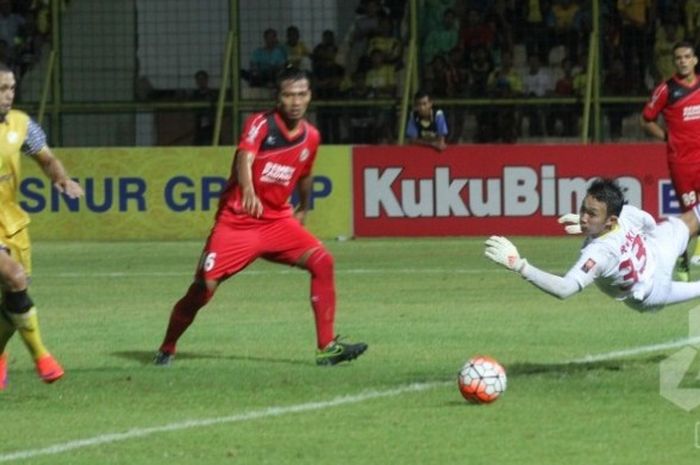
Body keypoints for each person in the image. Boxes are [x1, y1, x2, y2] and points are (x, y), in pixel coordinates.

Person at [154, 66, 368, 367]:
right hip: (238, 221)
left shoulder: (312, 136)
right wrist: (249, 189)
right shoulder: (261, 124)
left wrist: (304, 206)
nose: (295, 101)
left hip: (278, 222)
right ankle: (167, 346)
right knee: (204, 288)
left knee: (323, 262)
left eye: (301, 94)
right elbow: (245, 156)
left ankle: (327, 347)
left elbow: (305, 173)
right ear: (278, 97)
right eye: (289, 95)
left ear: (310, 96)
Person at [484, 178, 700, 312]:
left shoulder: (598, 253)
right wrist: (665, 241)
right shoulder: (626, 213)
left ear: (611, 221)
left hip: (653, 283)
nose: (584, 217)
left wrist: (520, 266)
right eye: (583, 210)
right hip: (654, 265)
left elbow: (564, 289)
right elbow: (650, 223)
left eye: (592, 214)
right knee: (692, 219)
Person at [0, 63, 84, 389]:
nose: (7, 96)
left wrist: (62, 180)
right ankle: (42, 357)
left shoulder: (21, 125)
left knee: (12, 299)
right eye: (1, 90)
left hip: (12, 223)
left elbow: (46, 158)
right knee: (15, 278)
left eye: (11, 89)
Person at [641, 41, 700, 280]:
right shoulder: (666, 89)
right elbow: (646, 119)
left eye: (687, 57)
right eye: (679, 58)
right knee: (690, 216)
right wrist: (666, 136)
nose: (683, 61)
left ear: (695, 60)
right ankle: (682, 260)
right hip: (682, 163)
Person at [191, 70, 215, 146]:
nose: (201, 82)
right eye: (199, 79)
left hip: (211, 126)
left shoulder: (212, 94)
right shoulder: (194, 95)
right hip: (199, 126)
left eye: (203, 79)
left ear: (206, 80)